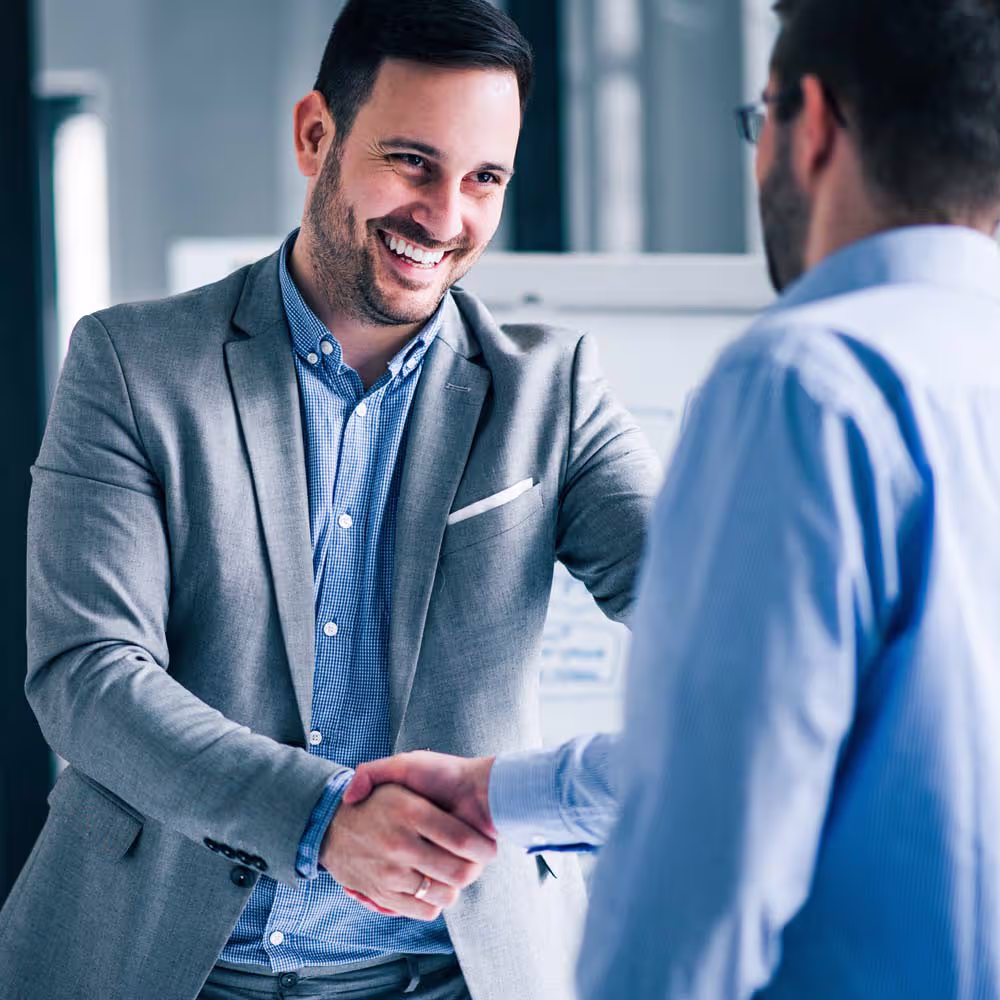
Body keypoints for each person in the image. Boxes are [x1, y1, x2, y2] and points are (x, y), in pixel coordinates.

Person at [0, 1, 659, 998]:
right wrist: (320, 820)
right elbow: (86, 674)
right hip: (161, 958)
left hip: (448, 971)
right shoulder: (131, 364)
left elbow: (721, 630)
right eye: (412, 162)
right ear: (317, 134)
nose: (445, 218)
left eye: (484, 178)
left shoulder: (552, 394)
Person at [347, 0, 1000, 996]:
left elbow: (710, 838)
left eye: (759, 118)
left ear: (811, 121)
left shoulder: (804, 382)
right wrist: (497, 792)